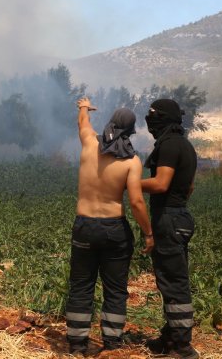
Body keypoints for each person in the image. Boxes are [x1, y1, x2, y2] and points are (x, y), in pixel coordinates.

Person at [65, 97, 153, 355]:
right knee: (115, 289)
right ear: (131, 131)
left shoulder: (89, 143)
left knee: (81, 287)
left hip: (84, 225)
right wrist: (148, 234)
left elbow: (82, 123)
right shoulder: (131, 162)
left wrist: (84, 106)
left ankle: (77, 346)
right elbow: (136, 201)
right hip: (114, 229)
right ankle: (112, 346)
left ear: (110, 124)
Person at [140, 99, 199, 359]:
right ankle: (169, 338)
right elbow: (189, 188)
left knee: (173, 283)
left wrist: (129, 183)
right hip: (180, 217)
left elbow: (161, 184)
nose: (149, 121)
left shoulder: (169, 145)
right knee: (170, 279)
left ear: (163, 119)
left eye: (153, 116)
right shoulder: (184, 145)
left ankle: (183, 347)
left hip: (169, 219)